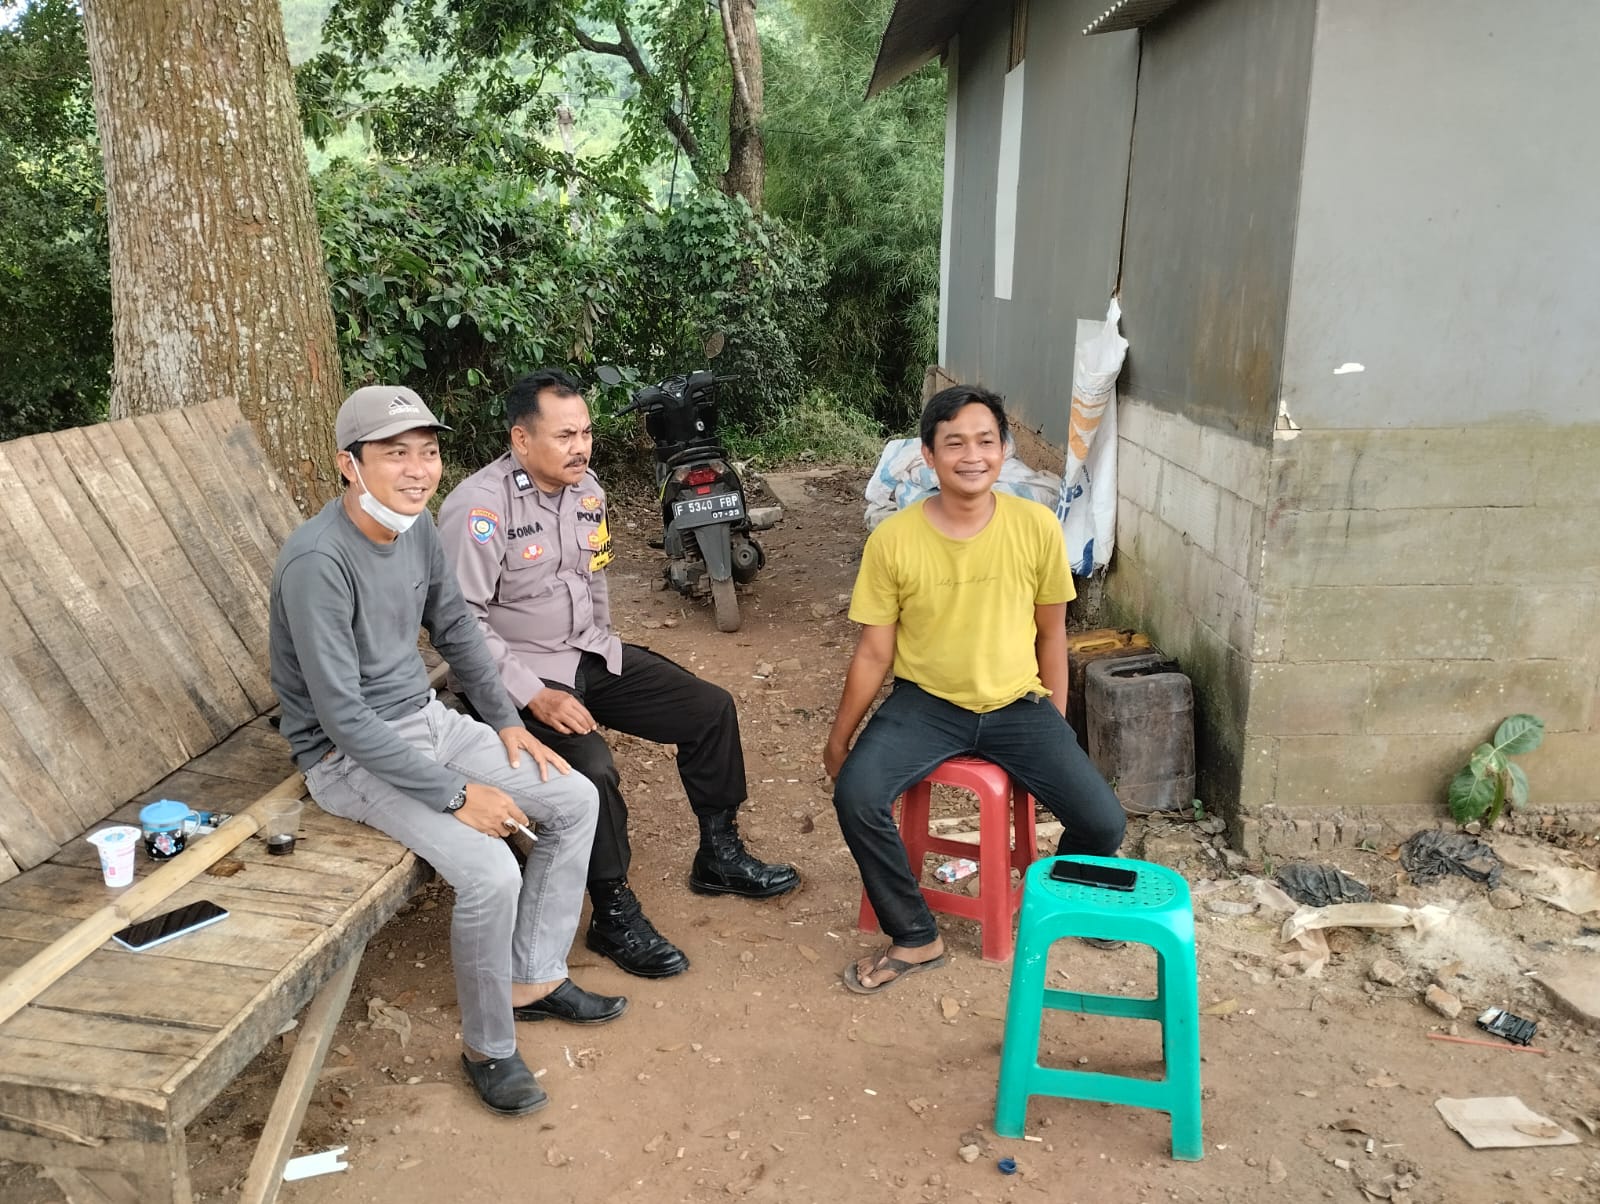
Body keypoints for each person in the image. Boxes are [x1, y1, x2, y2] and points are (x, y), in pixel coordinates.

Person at [270, 385, 626, 1119]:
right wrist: (458, 795)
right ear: (348, 464)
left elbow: (458, 628)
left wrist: (504, 721)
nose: (417, 469)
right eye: (394, 454)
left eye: (428, 452)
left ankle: (533, 977)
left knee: (574, 796)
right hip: (347, 759)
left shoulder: (416, 529)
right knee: (491, 871)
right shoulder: (317, 561)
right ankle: (489, 1048)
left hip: (427, 720)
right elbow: (342, 717)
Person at [437, 369, 799, 980]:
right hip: (516, 675)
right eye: (564, 436)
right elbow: (460, 625)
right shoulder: (479, 508)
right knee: (592, 765)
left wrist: (606, 646)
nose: (580, 447)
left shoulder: (588, 491)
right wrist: (534, 695)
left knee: (708, 709)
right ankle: (611, 911)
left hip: (587, 653)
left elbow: (595, 578)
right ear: (521, 440)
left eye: (586, 433)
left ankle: (719, 853)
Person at [823, 384, 1127, 993]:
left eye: (985, 441)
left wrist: (1057, 722)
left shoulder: (1036, 526)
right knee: (856, 794)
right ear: (928, 457)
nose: (972, 456)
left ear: (1004, 449)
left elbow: (1052, 635)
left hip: (1017, 703)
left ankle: (1065, 890)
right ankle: (915, 936)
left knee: (1104, 822)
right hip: (926, 704)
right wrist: (839, 740)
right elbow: (875, 652)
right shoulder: (894, 540)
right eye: (954, 443)